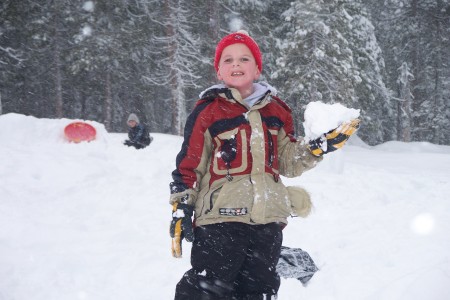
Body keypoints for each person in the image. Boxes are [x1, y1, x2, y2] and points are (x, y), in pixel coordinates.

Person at [169, 30, 359, 299]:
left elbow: (287, 161)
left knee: (259, 289)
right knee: (209, 287)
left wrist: (318, 147)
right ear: (219, 71)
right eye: (228, 60)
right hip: (219, 222)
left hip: (267, 222)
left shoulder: (277, 111)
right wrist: (181, 206)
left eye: (244, 59)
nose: (236, 64)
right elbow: (189, 164)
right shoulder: (208, 112)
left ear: (257, 68)